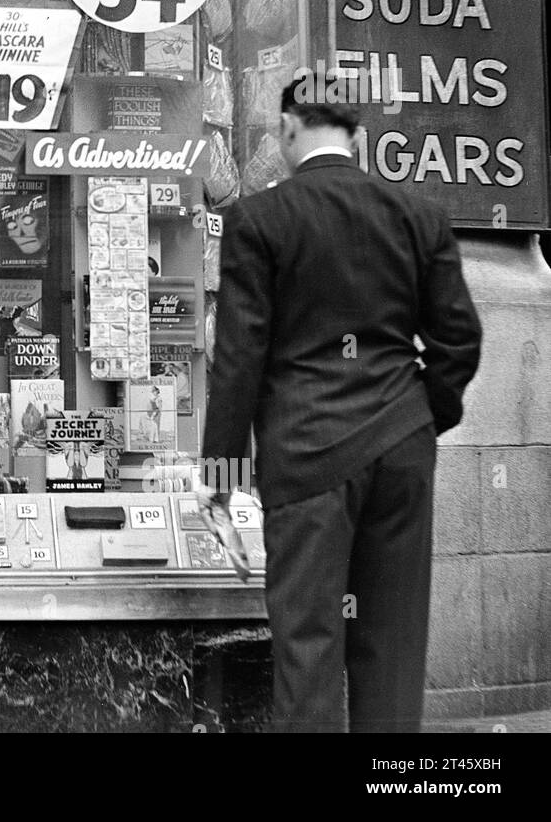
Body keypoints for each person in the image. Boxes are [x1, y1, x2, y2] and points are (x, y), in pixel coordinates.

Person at [199, 77, 482, 733]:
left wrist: (219, 480)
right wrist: (418, 416)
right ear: (355, 133)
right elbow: (459, 339)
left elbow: (239, 360)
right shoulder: (418, 213)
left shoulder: (259, 220)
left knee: (308, 650)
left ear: (291, 129)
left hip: (304, 457)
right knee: (391, 645)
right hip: (401, 450)